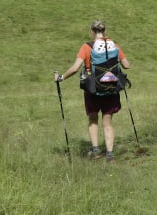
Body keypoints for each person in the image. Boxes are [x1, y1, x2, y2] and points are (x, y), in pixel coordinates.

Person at [55, 20, 131, 161]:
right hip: (111, 88)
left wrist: (61, 77)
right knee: (107, 122)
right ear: (104, 31)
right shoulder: (114, 45)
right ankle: (110, 154)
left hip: (93, 89)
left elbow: (75, 68)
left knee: (93, 118)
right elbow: (127, 65)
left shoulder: (87, 47)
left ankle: (96, 151)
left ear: (91, 31)